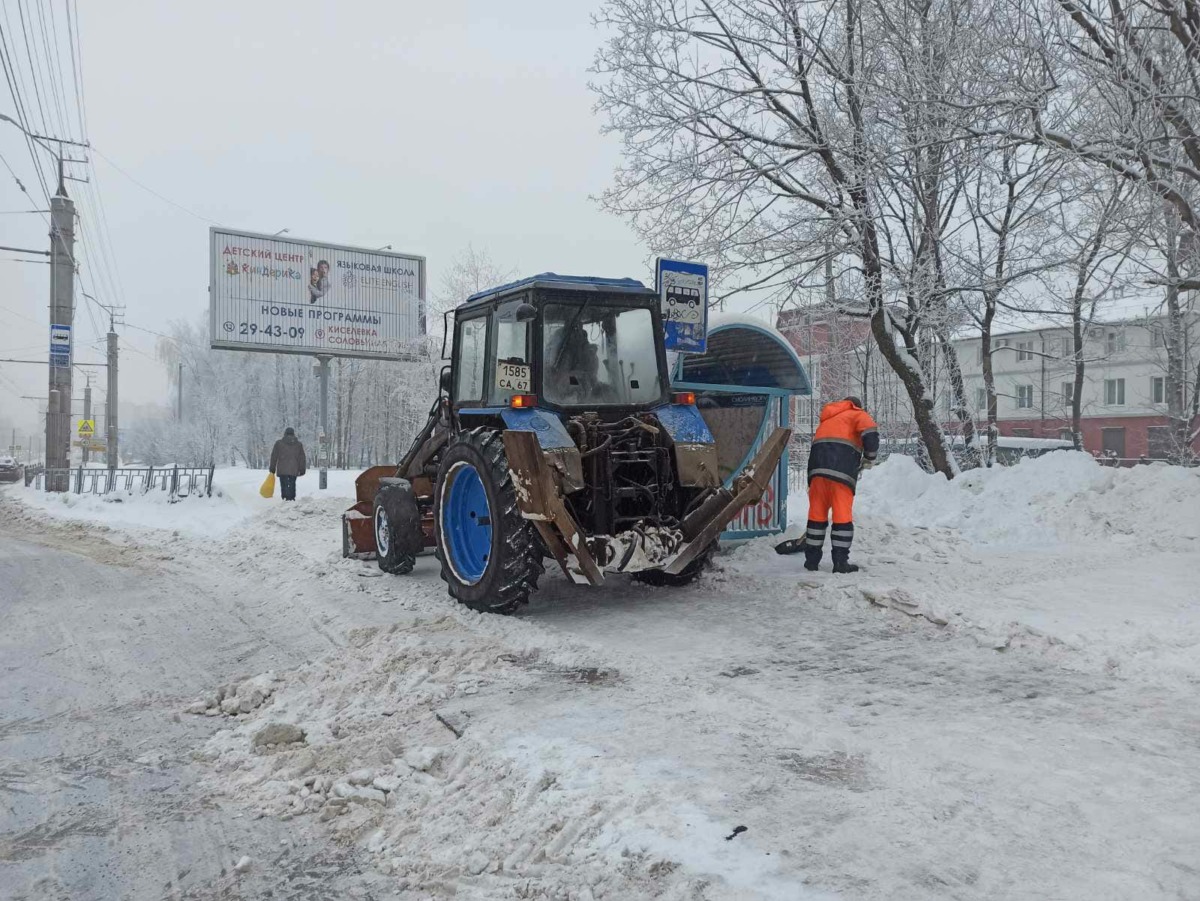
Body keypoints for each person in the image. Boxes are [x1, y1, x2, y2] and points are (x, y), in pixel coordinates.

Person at [804, 396, 879, 573]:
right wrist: (869, 458)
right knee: (842, 517)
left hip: (816, 473)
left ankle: (811, 561)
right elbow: (871, 433)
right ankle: (840, 563)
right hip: (841, 473)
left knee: (816, 516)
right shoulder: (857, 414)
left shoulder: (828, 419)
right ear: (855, 406)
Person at [269, 427, 307, 501]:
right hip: (294, 468)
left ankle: (285, 499)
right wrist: (302, 469)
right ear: (293, 434)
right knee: (292, 484)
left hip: (282, 468)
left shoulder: (279, 443)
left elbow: (274, 456)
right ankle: (292, 499)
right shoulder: (298, 445)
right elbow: (302, 458)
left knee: (284, 485)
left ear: (285, 434)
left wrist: (272, 467)